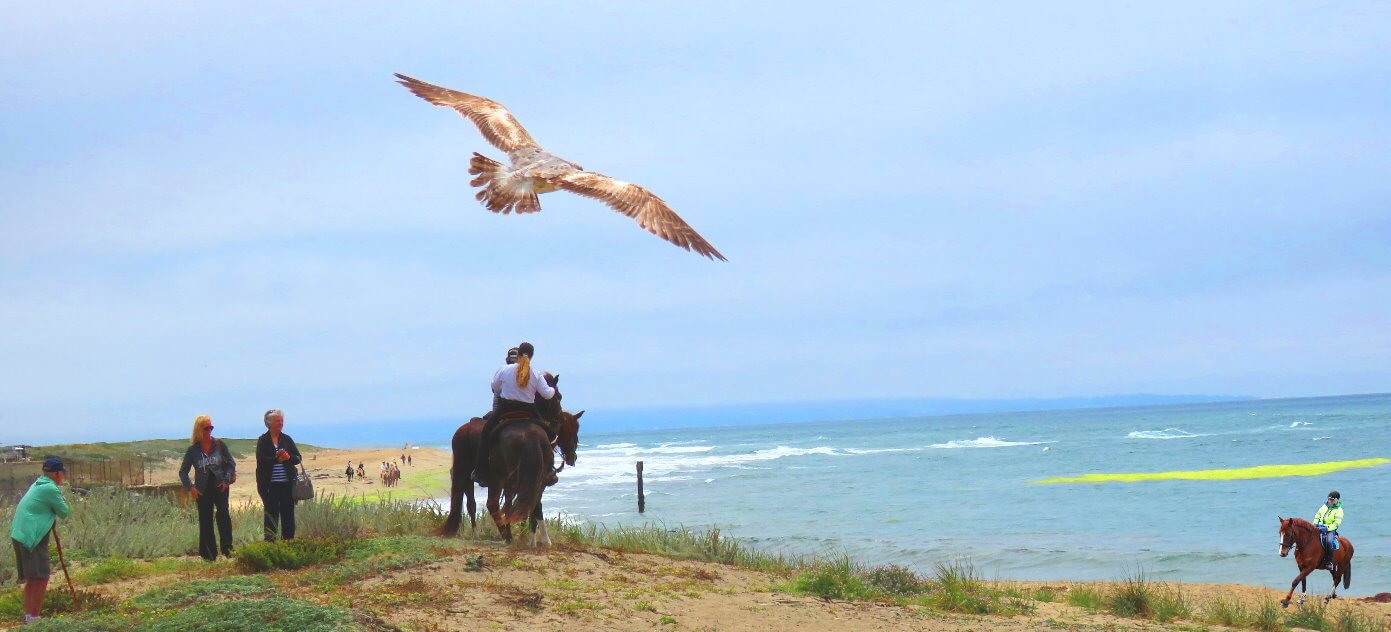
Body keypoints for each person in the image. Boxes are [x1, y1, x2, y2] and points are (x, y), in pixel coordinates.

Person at [474, 341, 555, 486]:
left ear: (518, 354)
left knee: (486, 433)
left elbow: (495, 387)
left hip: (505, 409)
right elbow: (548, 395)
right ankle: (549, 470)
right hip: (529, 411)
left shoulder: (504, 370)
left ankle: (480, 471)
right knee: (550, 434)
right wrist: (552, 389)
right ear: (531, 357)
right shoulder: (536, 374)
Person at [10, 457, 70, 625]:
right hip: (31, 537)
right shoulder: (50, 488)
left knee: (33, 578)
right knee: (41, 577)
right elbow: (64, 512)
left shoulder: (39, 484)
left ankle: (29, 616)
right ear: (58, 474)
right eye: (62, 473)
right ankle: (34, 618)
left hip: (20, 534)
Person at [179, 415, 237, 561]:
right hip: (202, 489)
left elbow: (231, 463)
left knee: (223, 515)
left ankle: (228, 549)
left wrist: (227, 480)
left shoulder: (219, 445)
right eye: (206, 428)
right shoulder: (193, 450)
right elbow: (183, 471)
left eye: (211, 427)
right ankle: (208, 554)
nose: (209, 430)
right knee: (205, 520)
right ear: (199, 430)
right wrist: (190, 487)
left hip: (220, 486)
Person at [255, 409, 302, 542]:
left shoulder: (287, 439)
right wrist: (276, 460)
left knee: (288, 514)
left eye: (281, 420)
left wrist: (288, 457)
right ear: (269, 423)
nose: (280, 423)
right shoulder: (263, 440)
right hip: (270, 485)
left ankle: (288, 542)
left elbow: (298, 458)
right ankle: (270, 543)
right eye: (277, 421)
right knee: (271, 515)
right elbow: (261, 460)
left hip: (287, 484)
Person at [1314, 490, 1344, 567]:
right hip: (1319, 526)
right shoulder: (1324, 506)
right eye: (1329, 499)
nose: (1329, 501)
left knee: (1329, 542)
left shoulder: (1339, 510)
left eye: (1331, 499)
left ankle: (1329, 561)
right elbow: (1317, 515)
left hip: (1330, 530)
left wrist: (1327, 528)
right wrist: (1315, 523)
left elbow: (1336, 523)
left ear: (1336, 500)